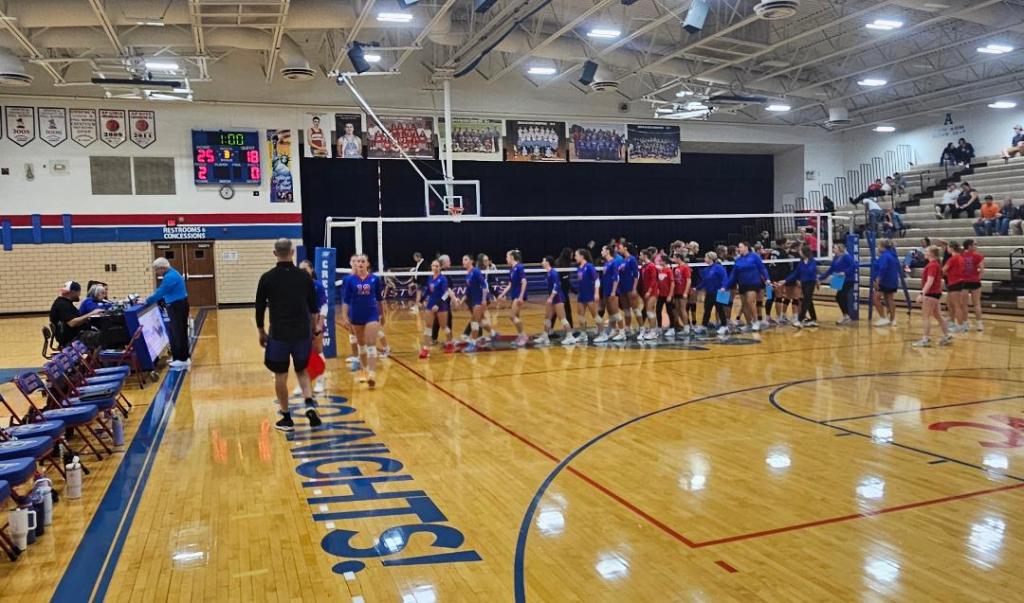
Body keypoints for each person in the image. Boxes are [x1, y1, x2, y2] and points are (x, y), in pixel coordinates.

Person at [255, 239, 322, 432]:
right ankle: (309, 402)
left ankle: (286, 418)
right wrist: (313, 331)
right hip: (301, 333)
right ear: (292, 252)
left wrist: (261, 331)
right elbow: (313, 309)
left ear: (275, 253)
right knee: (302, 371)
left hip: (279, 335)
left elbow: (259, 308)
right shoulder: (304, 277)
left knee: (280, 375)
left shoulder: (267, 278)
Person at [341, 254, 385, 384]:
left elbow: (379, 299)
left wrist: (382, 314)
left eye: (362, 261)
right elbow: (346, 300)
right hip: (356, 315)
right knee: (362, 346)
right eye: (358, 261)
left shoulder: (374, 279)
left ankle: (371, 373)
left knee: (371, 343)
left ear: (367, 264)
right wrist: (344, 316)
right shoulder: (349, 280)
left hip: (371, 314)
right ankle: (364, 370)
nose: (359, 263)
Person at [148, 257, 191, 369]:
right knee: (176, 331)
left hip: (177, 306)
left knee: (179, 332)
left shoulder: (170, 277)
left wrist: (146, 301)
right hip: (177, 305)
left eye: (157, 270)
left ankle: (183, 359)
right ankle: (178, 357)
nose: (156, 272)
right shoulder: (171, 274)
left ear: (162, 268)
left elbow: (161, 291)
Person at [722, 242, 768, 333]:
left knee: (750, 302)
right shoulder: (738, 260)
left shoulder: (754, 257)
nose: (739, 249)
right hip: (742, 285)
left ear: (746, 247)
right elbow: (733, 275)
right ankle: (749, 324)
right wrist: (725, 287)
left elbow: (762, 268)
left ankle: (756, 322)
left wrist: (767, 279)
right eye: (738, 247)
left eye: (740, 247)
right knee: (745, 304)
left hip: (753, 283)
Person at [913, 245, 953, 348]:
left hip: (931, 294)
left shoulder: (932, 265)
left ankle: (925, 339)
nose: (924, 253)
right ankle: (947, 335)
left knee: (925, 316)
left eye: (926, 251)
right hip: (935, 293)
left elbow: (930, 281)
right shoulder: (935, 264)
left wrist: (922, 294)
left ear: (931, 254)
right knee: (938, 316)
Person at [298, 260, 328, 394]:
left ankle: (321, 381)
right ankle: (301, 384)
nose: (303, 272)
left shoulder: (318, 286)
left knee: (317, 350)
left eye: (305, 269)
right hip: (300, 324)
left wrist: (319, 324)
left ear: (311, 270)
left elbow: (324, 306)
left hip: (315, 322)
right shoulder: (295, 286)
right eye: (301, 270)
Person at [564, 249, 599, 345]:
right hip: (581, 295)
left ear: (582, 256)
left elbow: (597, 280)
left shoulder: (589, 267)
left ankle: (603, 334)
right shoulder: (579, 268)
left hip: (590, 295)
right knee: (580, 315)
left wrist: (596, 293)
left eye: (576, 255)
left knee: (595, 315)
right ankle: (583, 335)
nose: (575, 257)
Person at [49, 281, 100, 346]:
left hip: (75, 335)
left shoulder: (64, 303)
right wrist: (91, 314)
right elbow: (72, 323)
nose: (79, 294)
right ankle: (96, 356)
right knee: (105, 337)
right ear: (73, 292)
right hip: (73, 339)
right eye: (79, 292)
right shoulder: (63, 305)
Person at [419, 260, 451, 358]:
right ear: (431, 267)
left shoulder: (443, 279)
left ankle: (450, 343)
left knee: (443, 326)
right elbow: (428, 290)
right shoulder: (430, 278)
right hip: (430, 304)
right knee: (428, 327)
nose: (435, 268)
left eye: (437, 266)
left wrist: (438, 304)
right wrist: (421, 300)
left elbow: (446, 294)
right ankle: (425, 349)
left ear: (440, 267)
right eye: (433, 266)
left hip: (441, 305)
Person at [535, 256, 571, 345]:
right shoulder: (548, 273)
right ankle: (545, 336)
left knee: (562, 319)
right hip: (552, 298)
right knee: (547, 318)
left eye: (543, 260)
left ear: (547, 262)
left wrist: (551, 298)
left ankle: (570, 336)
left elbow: (557, 286)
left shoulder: (554, 273)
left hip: (558, 298)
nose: (541, 262)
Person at [820, 242, 857, 325]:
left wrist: (845, 272)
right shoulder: (835, 257)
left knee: (840, 296)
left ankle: (846, 316)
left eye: (835, 248)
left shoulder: (846, 257)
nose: (833, 249)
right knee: (839, 297)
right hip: (838, 278)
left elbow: (854, 266)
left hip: (848, 279)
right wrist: (820, 278)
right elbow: (831, 269)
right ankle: (845, 315)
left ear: (840, 249)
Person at [457, 255, 487, 353]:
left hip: (479, 300)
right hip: (474, 300)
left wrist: (483, 300)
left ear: (471, 261)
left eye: (465, 259)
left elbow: (484, 285)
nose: (463, 261)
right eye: (463, 259)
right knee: (480, 321)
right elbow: (468, 292)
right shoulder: (468, 275)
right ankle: (490, 335)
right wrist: (461, 301)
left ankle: (473, 343)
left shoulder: (476, 271)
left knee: (474, 321)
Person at [498, 249, 529, 347]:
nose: (506, 259)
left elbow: (524, 282)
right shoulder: (511, 269)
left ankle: (524, 336)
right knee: (517, 317)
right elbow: (510, 285)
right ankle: (520, 336)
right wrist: (502, 294)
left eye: (507, 257)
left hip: (519, 296)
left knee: (512, 316)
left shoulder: (519, 267)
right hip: (514, 295)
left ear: (511, 257)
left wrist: (521, 297)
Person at [594, 245, 624, 343]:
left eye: (602, 249)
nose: (601, 251)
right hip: (606, 291)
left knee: (616, 313)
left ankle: (622, 333)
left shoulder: (614, 263)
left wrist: (613, 292)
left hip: (612, 291)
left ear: (607, 251)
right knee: (611, 313)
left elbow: (617, 278)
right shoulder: (607, 263)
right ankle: (613, 330)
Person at [785, 245, 819, 328]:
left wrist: (818, 280)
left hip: (810, 283)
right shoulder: (801, 261)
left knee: (806, 300)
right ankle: (813, 318)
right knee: (809, 301)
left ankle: (799, 320)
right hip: (804, 283)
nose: (799, 252)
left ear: (805, 252)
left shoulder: (812, 261)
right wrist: (785, 280)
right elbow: (796, 273)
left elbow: (811, 271)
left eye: (800, 251)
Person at [697, 251, 729, 336]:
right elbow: (704, 281)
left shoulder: (719, 267)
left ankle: (724, 326)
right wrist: (697, 288)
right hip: (709, 292)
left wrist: (724, 287)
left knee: (720, 309)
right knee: (707, 310)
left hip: (720, 292)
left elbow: (725, 278)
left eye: (706, 257)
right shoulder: (706, 269)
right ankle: (704, 325)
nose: (704, 259)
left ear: (710, 258)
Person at [871, 240, 901, 327]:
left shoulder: (885, 256)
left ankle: (884, 318)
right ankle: (892, 320)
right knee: (889, 299)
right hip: (891, 280)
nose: (877, 248)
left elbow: (882, 269)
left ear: (882, 247)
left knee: (876, 298)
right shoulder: (891, 254)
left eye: (878, 246)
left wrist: (877, 280)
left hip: (885, 280)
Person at [616, 242, 641, 337]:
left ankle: (641, 328)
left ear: (625, 248)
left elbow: (636, 275)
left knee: (635, 309)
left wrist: (634, 288)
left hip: (630, 287)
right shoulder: (623, 260)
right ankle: (627, 328)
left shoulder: (632, 259)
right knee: (626, 309)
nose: (619, 249)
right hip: (622, 288)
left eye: (620, 247)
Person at [961, 239, 986, 331]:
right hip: (975, 282)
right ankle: (979, 324)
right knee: (977, 303)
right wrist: (978, 278)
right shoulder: (978, 256)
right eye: (975, 244)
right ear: (969, 246)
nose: (976, 246)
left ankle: (965, 324)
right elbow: (982, 269)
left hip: (964, 282)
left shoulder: (961, 256)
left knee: (964, 304)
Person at [943, 242, 967, 333]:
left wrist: (946, 273)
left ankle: (960, 326)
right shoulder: (960, 257)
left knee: (957, 306)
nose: (947, 249)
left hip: (954, 282)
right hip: (957, 282)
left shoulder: (952, 259)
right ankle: (952, 322)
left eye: (948, 248)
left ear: (952, 248)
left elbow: (943, 270)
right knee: (950, 304)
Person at [671, 253, 692, 336]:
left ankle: (687, 328)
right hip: (676, 291)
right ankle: (682, 324)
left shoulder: (685, 267)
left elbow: (688, 280)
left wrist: (685, 292)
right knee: (678, 309)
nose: (673, 259)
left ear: (679, 258)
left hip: (683, 291)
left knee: (683, 309)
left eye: (674, 258)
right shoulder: (676, 267)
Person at [555, 247, 575, 328]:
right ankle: (570, 328)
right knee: (565, 310)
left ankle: (550, 330)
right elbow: (563, 280)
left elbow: (566, 280)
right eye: (571, 254)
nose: (572, 256)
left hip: (563, 290)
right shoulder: (561, 264)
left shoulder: (566, 263)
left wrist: (572, 289)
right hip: (561, 291)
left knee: (557, 311)